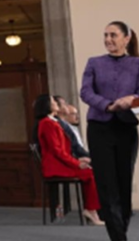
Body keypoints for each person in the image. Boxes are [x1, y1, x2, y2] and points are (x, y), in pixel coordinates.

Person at [80, 21, 139, 241]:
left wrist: (132, 99)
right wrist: (108, 105)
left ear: (126, 38)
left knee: (123, 183)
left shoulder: (138, 63)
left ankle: (121, 232)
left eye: (113, 35)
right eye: (105, 35)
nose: (108, 39)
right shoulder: (94, 62)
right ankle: (118, 237)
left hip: (126, 128)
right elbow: (85, 92)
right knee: (106, 184)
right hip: (99, 128)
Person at [34, 93, 103, 225]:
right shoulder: (47, 123)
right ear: (47, 105)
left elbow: (63, 150)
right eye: (53, 101)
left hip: (60, 163)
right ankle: (91, 210)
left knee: (90, 172)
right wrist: (77, 163)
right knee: (90, 173)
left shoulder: (52, 122)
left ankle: (92, 210)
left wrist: (79, 161)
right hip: (54, 166)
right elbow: (57, 151)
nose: (56, 103)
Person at [54, 95, 90, 161]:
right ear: (57, 108)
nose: (67, 106)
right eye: (64, 104)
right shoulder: (58, 124)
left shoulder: (64, 124)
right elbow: (74, 147)